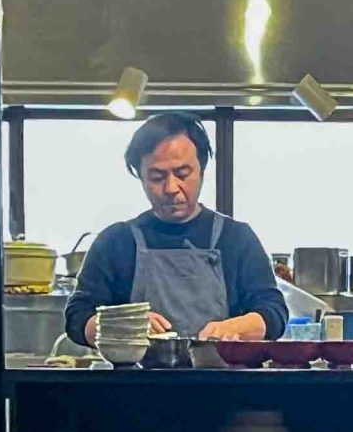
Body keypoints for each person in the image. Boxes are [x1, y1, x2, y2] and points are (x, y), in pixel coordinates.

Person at [64, 113, 287, 346]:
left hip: (222, 380)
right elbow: (77, 318)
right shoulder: (115, 241)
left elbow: (274, 313)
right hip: (135, 381)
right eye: (157, 177)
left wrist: (234, 328)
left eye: (183, 174)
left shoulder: (237, 238)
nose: (171, 188)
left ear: (202, 169)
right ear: (140, 177)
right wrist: (122, 326)